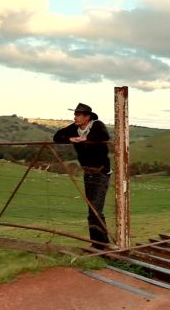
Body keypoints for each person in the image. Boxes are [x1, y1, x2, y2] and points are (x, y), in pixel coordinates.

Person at [53, 103, 111, 249]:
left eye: (78, 115)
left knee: (95, 209)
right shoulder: (75, 128)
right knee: (92, 208)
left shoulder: (96, 125)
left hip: (101, 172)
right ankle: (101, 241)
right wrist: (70, 139)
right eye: (75, 114)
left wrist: (85, 139)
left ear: (87, 117)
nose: (75, 117)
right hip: (88, 173)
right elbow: (57, 136)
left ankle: (99, 244)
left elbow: (104, 135)